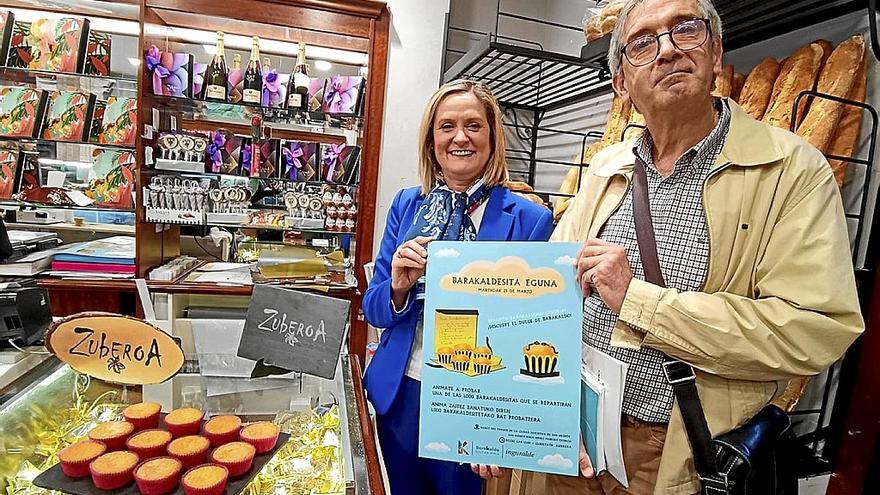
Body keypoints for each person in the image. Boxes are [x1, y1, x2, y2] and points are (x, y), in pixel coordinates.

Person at [478, 0, 863, 493]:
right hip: (574, 433)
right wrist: (504, 416)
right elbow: (543, 301)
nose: (666, 51)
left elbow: (816, 329)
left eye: (685, 30)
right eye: (642, 42)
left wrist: (637, 299)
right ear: (621, 82)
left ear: (715, 50)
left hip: (676, 451)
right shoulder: (606, 168)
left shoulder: (792, 171)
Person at [362, 79, 554, 495]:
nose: (460, 137)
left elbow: (529, 329)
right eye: (446, 126)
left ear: (492, 138)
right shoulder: (406, 205)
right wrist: (397, 288)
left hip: (473, 404)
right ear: (432, 141)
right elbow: (373, 308)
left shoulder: (528, 218)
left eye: (473, 125)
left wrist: (500, 423)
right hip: (401, 394)